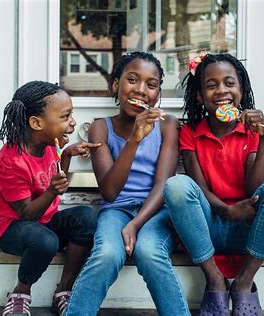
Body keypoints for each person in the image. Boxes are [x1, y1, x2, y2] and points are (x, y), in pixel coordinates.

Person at [163, 53, 264, 316]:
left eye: (229, 83)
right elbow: (198, 187)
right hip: (207, 225)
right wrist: (226, 210)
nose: (222, 90)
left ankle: (244, 283)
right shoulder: (190, 132)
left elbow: (253, 189)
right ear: (199, 95)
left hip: (247, 229)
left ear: (241, 91)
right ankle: (215, 280)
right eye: (211, 85)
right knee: (177, 185)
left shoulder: (251, 133)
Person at [65, 52, 190, 316]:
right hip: (116, 210)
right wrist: (134, 139)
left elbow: (163, 185)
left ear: (157, 94)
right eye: (132, 80)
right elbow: (110, 192)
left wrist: (135, 224)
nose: (141, 90)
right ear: (115, 85)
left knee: (149, 253)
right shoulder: (101, 128)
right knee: (106, 255)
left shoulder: (168, 125)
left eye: (151, 84)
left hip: (157, 210)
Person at [0, 81, 101, 316]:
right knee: (46, 241)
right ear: (36, 123)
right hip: (13, 229)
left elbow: (55, 176)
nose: (72, 122)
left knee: (86, 217)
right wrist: (52, 192)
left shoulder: (50, 145)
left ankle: (64, 289)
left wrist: (68, 155)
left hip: (44, 223)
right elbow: (26, 214)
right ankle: (21, 292)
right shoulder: (11, 161)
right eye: (65, 116)